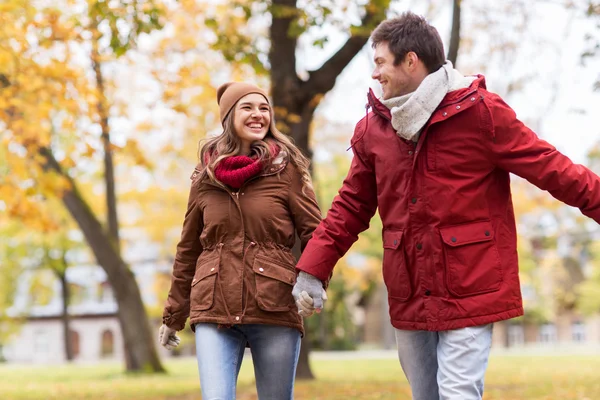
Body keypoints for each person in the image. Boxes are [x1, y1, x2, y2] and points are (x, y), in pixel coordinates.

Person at [291, 11, 600, 400]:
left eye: (381, 62)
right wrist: (313, 270)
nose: (375, 74)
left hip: (471, 283)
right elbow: (350, 207)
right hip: (409, 288)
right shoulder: (373, 130)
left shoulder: (481, 113)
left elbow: (551, 168)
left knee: (458, 393)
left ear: (411, 61)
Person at [158, 82, 321, 400]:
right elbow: (188, 248)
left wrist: (313, 280)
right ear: (229, 116)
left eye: (264, 109)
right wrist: (173, 316)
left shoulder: (287, 170)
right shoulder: (204, 176)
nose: (258, 115)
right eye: (248, 108)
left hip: (273, 304)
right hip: (214, 307)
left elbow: (316, 232)